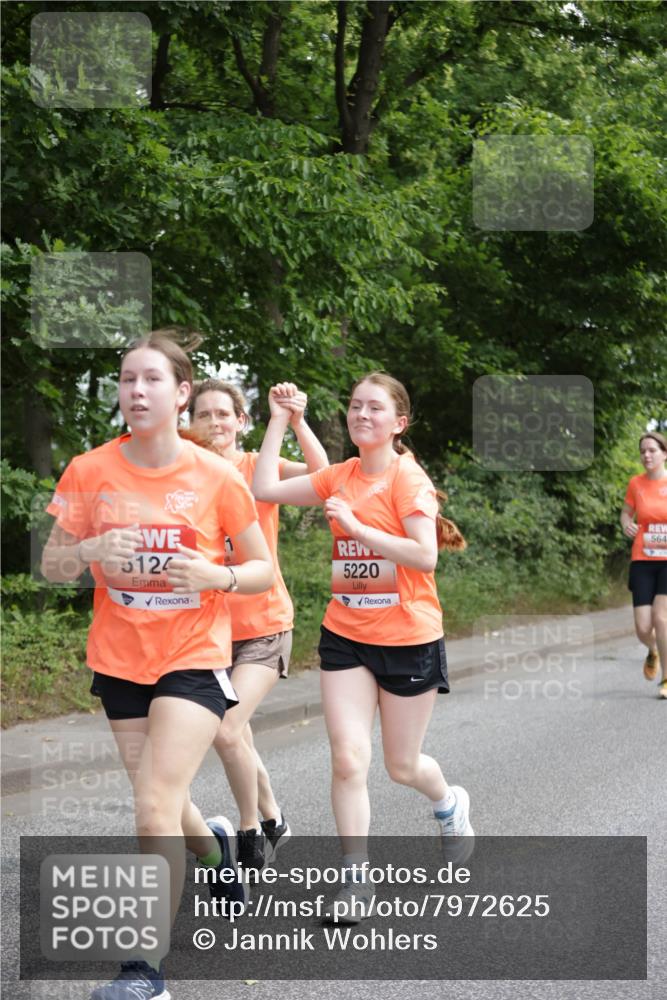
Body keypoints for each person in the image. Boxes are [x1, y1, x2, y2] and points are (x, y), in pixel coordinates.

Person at [41, 330, 275, 1000]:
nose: (135, 392)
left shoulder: (216, 477)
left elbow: (260, 570)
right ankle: (214, 854)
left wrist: (216, 573)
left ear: (181, 394)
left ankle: (145, 970)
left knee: (150, 807)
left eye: (149, 380)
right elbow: (52, 566)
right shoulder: (90, 469)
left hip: (193, 657)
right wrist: (92, 547)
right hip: (120, 660)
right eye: (125, 380)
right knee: (166, 804)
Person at [253, 371, 472, 923]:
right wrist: (281, 419)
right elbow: (264, 490)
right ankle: (355, 880)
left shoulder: (408, 480)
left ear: (398, 423)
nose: (361, 415)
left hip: (408, 638)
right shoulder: (341, 474)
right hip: (346, 635)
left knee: (402, 766)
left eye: (374, 408)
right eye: (354, 407)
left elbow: (425, 557)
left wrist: (355, 526)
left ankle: (448, 804)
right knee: (349, 759)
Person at [188, 378, 328, 869]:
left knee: (226, 730)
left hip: (264, 624)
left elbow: (322, 477)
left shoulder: (255, 467)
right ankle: (274, 817)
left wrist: (293, 419)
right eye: (202, 415)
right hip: (207, 632)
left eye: (223, 414)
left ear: (240, 421)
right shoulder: (184, 477)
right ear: (189, 424)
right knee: (238, 733)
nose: (213, 423)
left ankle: (250, 832)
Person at [620, 430, 667, 699]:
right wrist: (627, 525)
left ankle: (666, 679)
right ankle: (655, 649)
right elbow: (626, 513)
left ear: (664, 454)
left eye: (652, 450)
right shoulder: (635, 484)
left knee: (662, 619)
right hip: (642, 559)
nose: (646, 455)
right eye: (643, 451)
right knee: (642, 628)